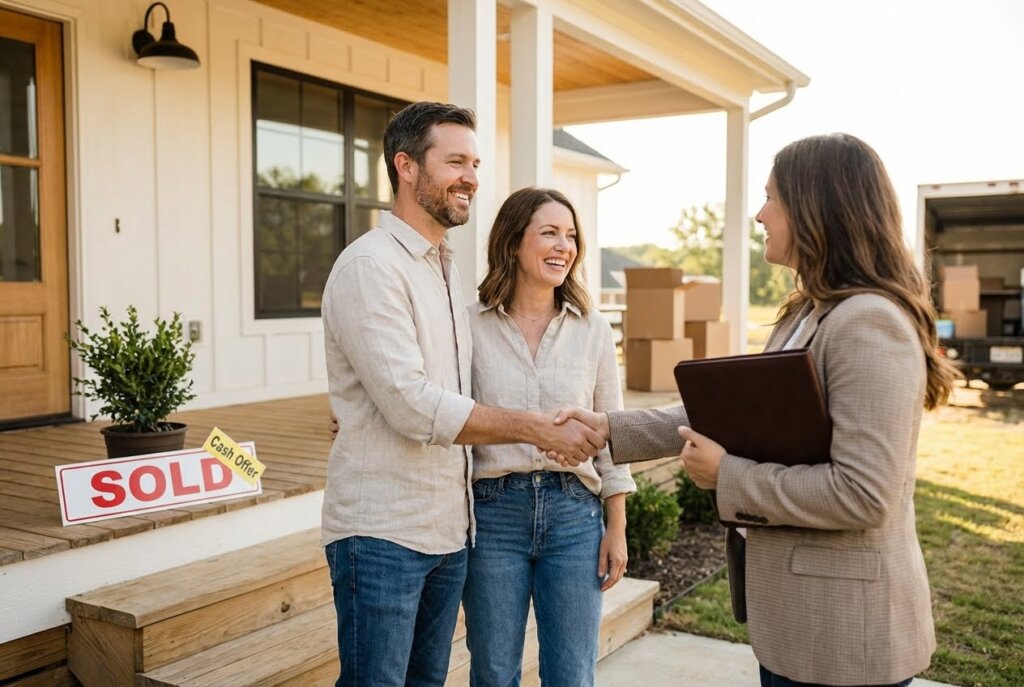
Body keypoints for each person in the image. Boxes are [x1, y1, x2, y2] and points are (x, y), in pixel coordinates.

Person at [554, 133, 957, 687]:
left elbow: (866, 494)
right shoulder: (806, 313)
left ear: (817, 207)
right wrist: (607, 428)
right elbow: (736, 414)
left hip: (846, 640)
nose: (759, 213)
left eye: (772, 198)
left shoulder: (868, 322)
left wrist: (728, 476)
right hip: (801, 627)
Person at [320, 101, 605, 687]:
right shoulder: (370, 267)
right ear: (405, 166)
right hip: (382, 533)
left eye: (474, 162)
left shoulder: (445, 272)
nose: (471, 177)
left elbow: (443, 389)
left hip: (450, 530)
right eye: (455, 161)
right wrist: (533, 427)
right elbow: (409, 403)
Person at [463, 187, 635, 686]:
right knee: (494, 674)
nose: (564, 246)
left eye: (571, 236)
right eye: (549, 233)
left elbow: (614, 431)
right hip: (492, 513)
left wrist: (616, 526)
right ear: (514, 241)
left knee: (572, 675)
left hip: (574, 516)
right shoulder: (469, 325)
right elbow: (444, 409)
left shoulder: (593, 329)